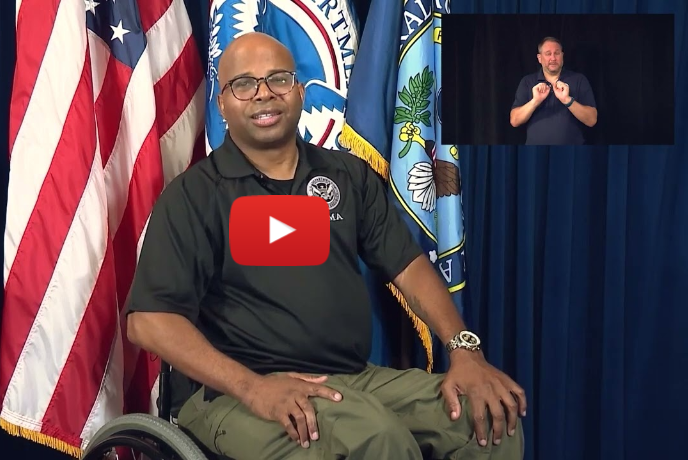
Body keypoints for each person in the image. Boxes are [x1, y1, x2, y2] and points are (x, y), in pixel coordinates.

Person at [127, 32, 526, 460]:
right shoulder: (194, 196)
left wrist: (465, 351)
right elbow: (147, 322)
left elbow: (409, 267)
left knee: (488, 419)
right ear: (222, 104)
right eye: (244, 84)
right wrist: (252, 387)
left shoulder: (346, 176)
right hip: (233, 394)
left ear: (299, 92)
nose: (264, 95)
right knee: (376, 439)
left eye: (278, 80)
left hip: (351, 378)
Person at [510, 36, 598, 145]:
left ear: (562, 56)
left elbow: (592, 120)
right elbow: (514, 121)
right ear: (539, 58)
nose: (553, 58)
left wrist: (567, 100)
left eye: (556, 53)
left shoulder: (579, 79)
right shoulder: (527, 82)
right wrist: (535, 101)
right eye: (548, 54)